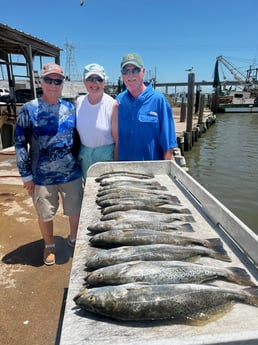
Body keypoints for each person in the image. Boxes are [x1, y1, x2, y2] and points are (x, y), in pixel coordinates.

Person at [15, 62, 83, 266]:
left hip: (71, 173)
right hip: (42, 176)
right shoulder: (29, 109)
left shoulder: (70, 108)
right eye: (49, 80)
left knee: (75, 209)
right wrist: (26, 175)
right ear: (40, 81)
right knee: (45, 214)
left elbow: (77, 140)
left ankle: (74, 238)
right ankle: (49, 246)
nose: (53, 84)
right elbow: (20, 143)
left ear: (63, 83)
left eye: (58, 80)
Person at [111, 53, 178, 161]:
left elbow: (168, 144)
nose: (130, 75)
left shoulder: (159, 100)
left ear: (143, 71)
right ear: (121, 74)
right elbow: (115, 140)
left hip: (151, 172)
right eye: (126, 71)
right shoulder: (119, 101)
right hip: (123, 169)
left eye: (135, 70)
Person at [76, 63, 115, 182]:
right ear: (84, 81)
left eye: (99, 79)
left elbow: (118, 141)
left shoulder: (112, 104)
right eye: (90, 79)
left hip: (106, 161)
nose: (94, 83)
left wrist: (116, 166)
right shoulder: (79, 102)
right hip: (85, 160)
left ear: (104, 81)